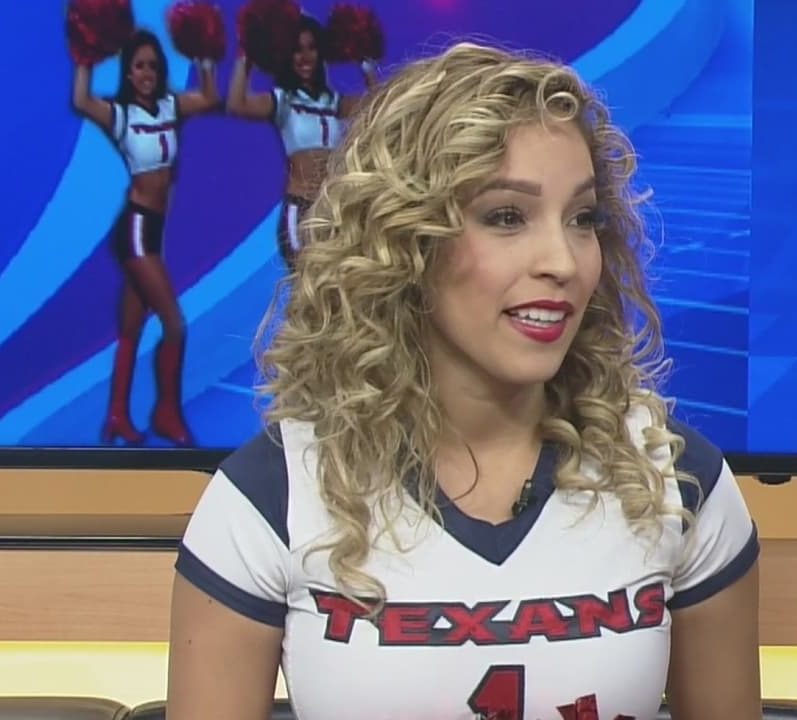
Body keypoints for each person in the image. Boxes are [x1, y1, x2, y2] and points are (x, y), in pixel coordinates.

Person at [167, 42, 761, 720]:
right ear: (404, 241)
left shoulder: (678, 481)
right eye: (506, 216)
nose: (563, 261)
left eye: (583, 219)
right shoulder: (271, 499)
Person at [71, 29, 220, 447]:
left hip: (155, 230)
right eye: (139, 66)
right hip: (135, 229)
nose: (147, 72)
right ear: (128, 73)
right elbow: (82, 101)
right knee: (174, 324)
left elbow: (209, 98)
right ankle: (166, 412)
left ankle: (117, 416)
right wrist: (85, 54)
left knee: (132, 328)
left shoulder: (172, 106)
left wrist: (206, 57)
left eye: (153, 65)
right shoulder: (120, 115)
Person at [226, 14, 378, 270]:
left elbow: (376, 105)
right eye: (297, 50)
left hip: (331, 210)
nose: (305, 57)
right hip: (300, 210)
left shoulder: (332, 101)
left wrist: (365, 64)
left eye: (311, 48)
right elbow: (236, 105)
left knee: (336, 284)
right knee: (304, 281)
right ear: (287, 56)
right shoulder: (283, 100)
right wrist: (246, 56)